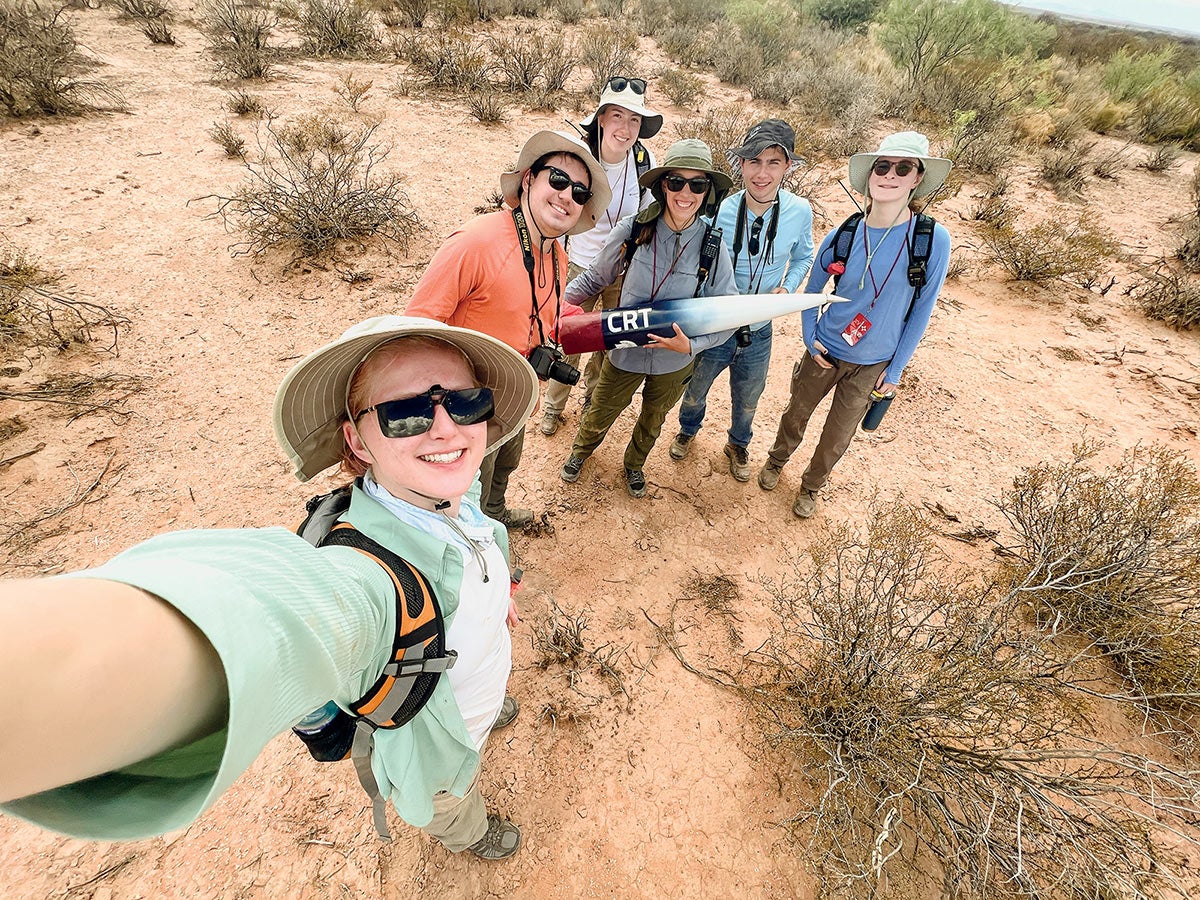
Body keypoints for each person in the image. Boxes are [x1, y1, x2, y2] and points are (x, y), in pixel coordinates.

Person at [0, 316, 540, 860]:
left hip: (472, 690)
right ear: (357, 440)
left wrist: (497, 602)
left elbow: (477, 538)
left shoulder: (455, 496)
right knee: (451, 799)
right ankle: (469, 834)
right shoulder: (368, 579)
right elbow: (281, 611)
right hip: (437, 745)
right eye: (406, 412)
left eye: (466, 401)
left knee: (483, 700)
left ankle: (490, 709)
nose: (446, 429)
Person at [405, 131, 611, 529]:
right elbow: (416, 330)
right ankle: (473, 546)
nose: (568, 196)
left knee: (504, 466)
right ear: (529, 178)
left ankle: (494, 516)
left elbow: (543, 318)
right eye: (558, 180)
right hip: (465, 411)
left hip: (517, 400)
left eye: (581, 193)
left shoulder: (557, 256)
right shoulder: (475, 243)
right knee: (463, 491)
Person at [757, 131, 952, 518]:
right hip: (826, 349)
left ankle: (812, 485)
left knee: (837, 436)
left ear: (917, 178)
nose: (890, 175)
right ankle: (776, 461)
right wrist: (811, 341)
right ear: (870, 175)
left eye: (903, 168)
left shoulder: (932, 240)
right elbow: (813, 290)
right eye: (882, 166)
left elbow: (921, 311)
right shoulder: (844, 233)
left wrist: (894, 371)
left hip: (873, 363)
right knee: (796, 414)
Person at [558, 139, 737, 499]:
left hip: (674, 358)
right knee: (602, 407)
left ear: (708, 192)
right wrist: (553, 305)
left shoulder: (713, 246)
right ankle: (581, 451)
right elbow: (595, 277)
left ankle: (634, 465)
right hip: (625, 350)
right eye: (676, 182)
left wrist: (693, 345)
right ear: (662, 185)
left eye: (697, 184)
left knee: (654, 419)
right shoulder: (633, 229)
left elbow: (727, 314)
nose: (685, 193)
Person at [667, 119, 814, 482]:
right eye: (753, 161)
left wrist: (788, 287)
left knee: (749, 396)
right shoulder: (719, 209)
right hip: (716, 322)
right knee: (695, 387)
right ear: (741, 164)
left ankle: (738, 443)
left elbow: (803, 257)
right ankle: (688, 430)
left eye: (773, 162)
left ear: (788, 167)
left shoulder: (800, 212)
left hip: (759, 329)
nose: (762, 173)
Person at [539, 76, 661, 437]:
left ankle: (592, 398)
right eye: (618, 117)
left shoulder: (644, 160)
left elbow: (649, 210)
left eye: (634, 120)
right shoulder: (580, 158)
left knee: (607, 339)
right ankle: (553, 405)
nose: (625, 128)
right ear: (602, 118)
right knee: (569, 336)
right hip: (580, 264)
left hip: (623, 268)